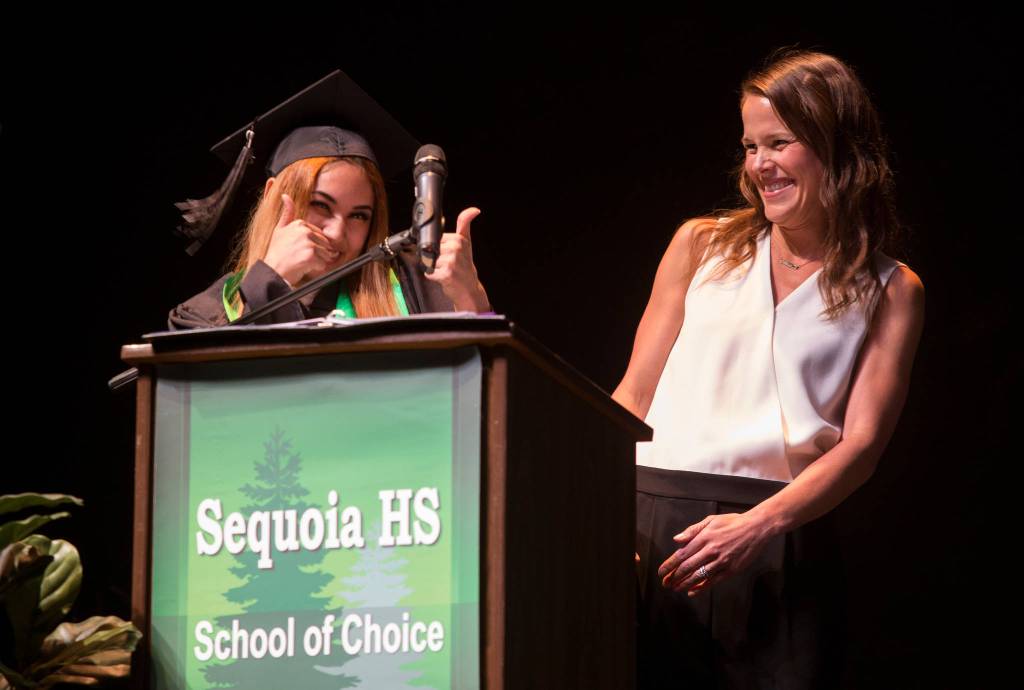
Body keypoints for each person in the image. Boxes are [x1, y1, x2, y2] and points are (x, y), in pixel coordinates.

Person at [613, 50, 925, 687]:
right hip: (651, 524)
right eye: (751, 146)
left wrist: (759, 525)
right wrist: (595, 510)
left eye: (779, 143)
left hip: (776, 537)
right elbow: (632, 397)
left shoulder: (891, 288)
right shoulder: (701, 244)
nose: (759, 165)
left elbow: (862, 446)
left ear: (836, 148)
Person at [168, 71, 489, 329]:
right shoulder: (203, 317)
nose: (337, 233)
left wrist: (470, 299)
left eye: (359, 216)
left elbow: (478, 395)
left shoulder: (414, 284)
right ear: (272, 197)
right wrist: (269, 284)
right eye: (320, 205)